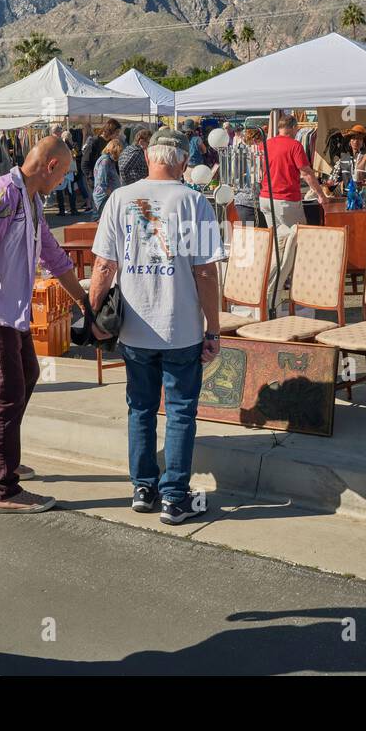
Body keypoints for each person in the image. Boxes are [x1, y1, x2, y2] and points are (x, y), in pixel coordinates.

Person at [89, 128, 225, 526]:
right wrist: (213, 328)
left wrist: (94, 315)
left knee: (140, 408)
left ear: (149, 157)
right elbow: (204, 272)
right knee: (181, 411)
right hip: (180, 327)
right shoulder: (194, 201)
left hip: (135, 327)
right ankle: (174, 497)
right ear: (183, 161)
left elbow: (103, 266)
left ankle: (143, 487)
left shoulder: (119, 199)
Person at [0, 136, 91, 514]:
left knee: (27, 375)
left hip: (8, 313)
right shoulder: (1, 196)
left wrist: (84, 301)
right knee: (9, 391)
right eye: (63, 173)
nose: (64, 180)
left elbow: (54, 256)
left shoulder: (32, 201)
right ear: (50, 165)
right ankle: (3, 489)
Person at [257, 113, 328, 310]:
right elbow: (306, 173)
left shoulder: (266, 145)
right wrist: (320, 194)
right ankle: (276, 291)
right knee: (295, 245)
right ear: (295, 127)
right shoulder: (295, 146)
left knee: (279, 246)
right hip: (286, 200)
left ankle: (272, 292)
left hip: (266, 198)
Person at [325, 124, 366, 204]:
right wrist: (329, 183)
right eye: (353, 138)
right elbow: (334, 177)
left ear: (364, 142)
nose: (356, 141)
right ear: (350, 141)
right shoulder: (344, 158)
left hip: (365, 199)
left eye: (359, 139)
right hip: (347, 198)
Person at [232, 128, 264, 226]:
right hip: (249, 199)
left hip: (244, 200)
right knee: (252, 236)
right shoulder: (248, 153)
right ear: (256, 140)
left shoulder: (238, 151)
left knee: (250, 236)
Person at [81, 119, 121, 188]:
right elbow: (84, 163)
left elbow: (115, 162)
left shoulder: (112, 143)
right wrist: (92, 179)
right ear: (110, 131)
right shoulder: (94, 141)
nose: (118, 135)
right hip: (96, 183)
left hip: (109, 183)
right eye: (117, 132)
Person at [93, 138, 123, 217]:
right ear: (113, 150)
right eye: (118, 152)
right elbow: (101, 181)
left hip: (107, 197)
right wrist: (110, 193)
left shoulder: (109, 160)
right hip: (104, 198)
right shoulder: (105, 161)